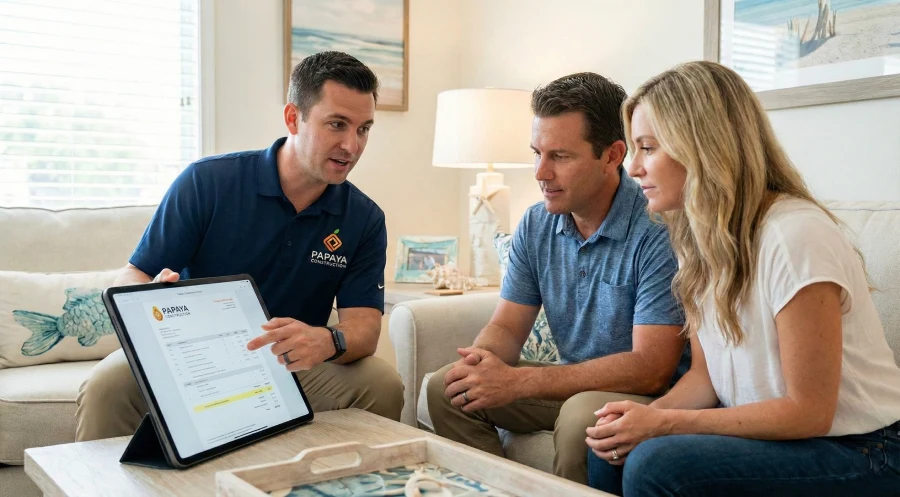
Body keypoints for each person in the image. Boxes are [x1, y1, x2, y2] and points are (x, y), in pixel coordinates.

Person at [586, 60, 900, 496]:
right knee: (612, 448)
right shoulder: (698, 238)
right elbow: (704, 379)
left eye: (649, 147)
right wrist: (641, 421)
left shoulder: (794, 235)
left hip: (864, 449)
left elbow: (808, 412)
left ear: (702, 146)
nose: (633, 167)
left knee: (656, 465)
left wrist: (664, 425)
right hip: (781, 439)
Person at [75, 51, 404, 441]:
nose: (352, 145)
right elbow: (134, 274)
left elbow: (364, 328)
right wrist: (149, 300)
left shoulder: (364, 219)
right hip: (193, 355)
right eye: (337, 124)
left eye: (364, 129)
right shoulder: (207, 182)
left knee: (381, 381)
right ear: (293, 118)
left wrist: (327, 340)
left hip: (290, 363)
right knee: (108, 384)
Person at [426, 72, 690, 484]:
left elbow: (651, 368)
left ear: (612, 155)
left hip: (643, 395)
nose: (540, 173)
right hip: (570, 385)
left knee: (581, 418)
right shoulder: (536, 223)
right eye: (537, 153)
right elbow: (506, 327)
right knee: (449, 389)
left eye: (560, 157)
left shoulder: (657, 228)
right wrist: (482, 364)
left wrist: (522, 381)